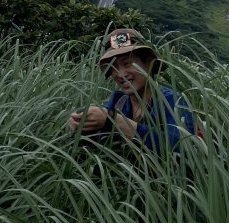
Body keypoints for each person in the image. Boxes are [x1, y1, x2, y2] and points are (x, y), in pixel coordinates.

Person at [68, 28, 196, 152]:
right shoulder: (118, 101)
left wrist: (114, 121)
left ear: (148, 63)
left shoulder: (172, 100)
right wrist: (84, 126)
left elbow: (183, 146)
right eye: (113, 67)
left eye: (127, 63)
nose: (121, 74)